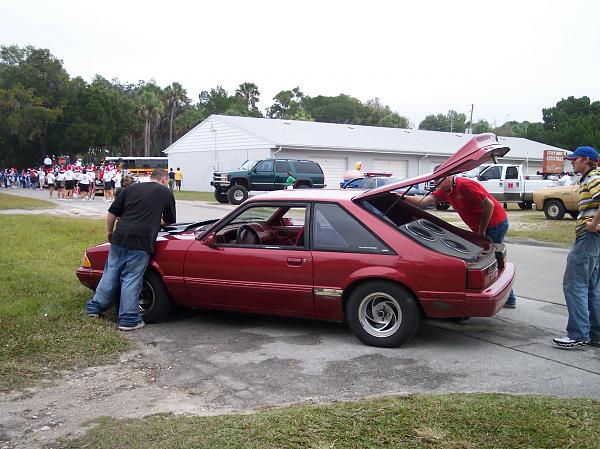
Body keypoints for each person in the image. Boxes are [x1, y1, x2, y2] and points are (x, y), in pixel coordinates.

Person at [405, 174, 517, 308]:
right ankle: (508, 298)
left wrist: (481, 230)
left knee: (491, 261)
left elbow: (489, 205)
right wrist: (401, 197)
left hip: (495, 223)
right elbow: (423, 202)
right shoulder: (445, 191)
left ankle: (508, 299)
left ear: (448, 176)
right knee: (491, 261)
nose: (435, 183)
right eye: (434, 180)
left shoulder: (465, 185)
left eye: (438, 179)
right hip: (485, 226)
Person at [86, 168, 176, 331]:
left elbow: (112, 212)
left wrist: (110, 232)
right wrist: (156, 219)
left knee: (110, 273)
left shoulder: (131, 188)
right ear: (163, 179)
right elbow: (170, 221)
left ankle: (94, 309)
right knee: (131, 278)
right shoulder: (165, 193)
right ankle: (128, 320)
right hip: (141, 241)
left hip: (120, 236)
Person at [553, 146, 600, 349]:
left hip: (589, 237)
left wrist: (593, 224)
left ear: (587, 160)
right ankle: (595, 334)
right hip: (594, 238)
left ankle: (578, 334)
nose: (571, 162)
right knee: (592, 286)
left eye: (575, 159)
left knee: (574, 284)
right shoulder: (589, 177)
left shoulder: (593, 178)